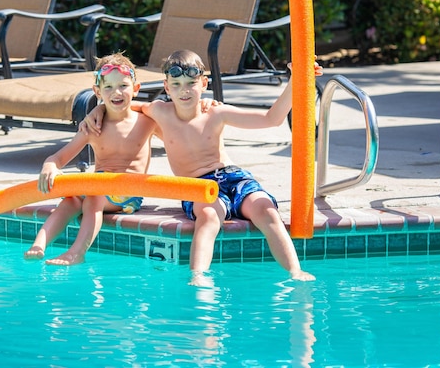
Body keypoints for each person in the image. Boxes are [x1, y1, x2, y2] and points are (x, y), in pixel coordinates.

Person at [84, 49, 322, 282]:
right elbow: (122, 105)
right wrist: (99, 107)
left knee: (266, 211)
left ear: (204, 84)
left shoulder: (216, 113)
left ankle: (295, 272)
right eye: (175, 85)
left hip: (234, 178)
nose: (184, 91)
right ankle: (199, 277)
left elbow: (272, 119)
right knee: (208, 216)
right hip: (197, 187)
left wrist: (297, 80)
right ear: (166, 87)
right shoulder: (159, 112)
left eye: (191, 83)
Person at [24, 52, 160, 265]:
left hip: (128, 192)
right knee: (72, 200)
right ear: (97, 92)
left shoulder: (146, 122)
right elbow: (59, 157)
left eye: (123, 86)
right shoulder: (93, 126)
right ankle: (39, 244)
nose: (116, 92)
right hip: (98, 187)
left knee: (93, 198)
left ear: (136, 89)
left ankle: (77, 253)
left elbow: (177, 130)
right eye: (108, 87)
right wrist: (49, 165)